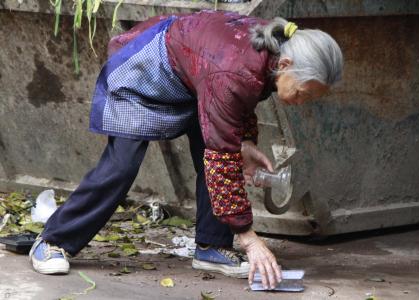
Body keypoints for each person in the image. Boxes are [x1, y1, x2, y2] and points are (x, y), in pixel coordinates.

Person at [29, 10, 343, 290]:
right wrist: (249, 239)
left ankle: (211, 247)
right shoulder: (234, 72)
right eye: (303, 93)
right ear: (286, 64)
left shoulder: (271, 49)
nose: (301, 102)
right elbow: (222, 150)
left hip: (195, 80)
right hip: (145, 71)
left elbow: (237, 107)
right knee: (121, 166)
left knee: (222, 153)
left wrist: (244, 143)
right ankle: (53, 241)